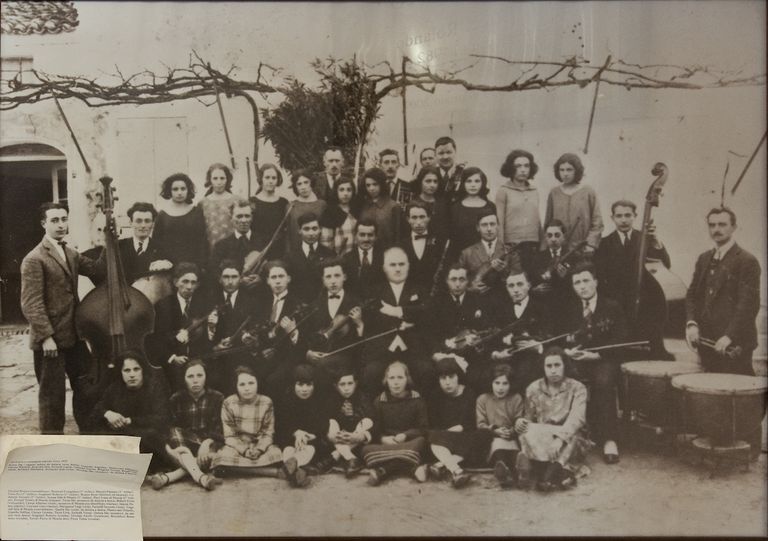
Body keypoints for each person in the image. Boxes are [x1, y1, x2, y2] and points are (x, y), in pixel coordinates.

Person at [21, 202, 104, 434]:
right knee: (52, 398)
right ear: (43, 224)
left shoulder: (70, 253)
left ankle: (89, 436)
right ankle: (52, 448)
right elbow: (31, 303)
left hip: (74, 337)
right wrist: (46, 337)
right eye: (55, 220)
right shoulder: (34, 258)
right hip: (51, 342)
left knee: (87, 388)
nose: (60, 225)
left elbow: (98, 270)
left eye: (64, 219)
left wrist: (108, 241)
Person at [562, 263, 627, 464]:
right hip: (577, 360)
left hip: (603, 359)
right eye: (577, 283)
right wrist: (567, 351)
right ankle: (571, 434)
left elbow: (621, 339)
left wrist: (596, 355)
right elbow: (559, 338)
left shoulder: (611, 306)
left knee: (603, 381)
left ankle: (609, 439)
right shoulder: (568, 308)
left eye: (586, 281)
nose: (582, 286)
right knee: (563, 378)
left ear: (595, 282)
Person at [686, 207, 761, 376]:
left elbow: (748, 304)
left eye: (722, 224)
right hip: (707, 342)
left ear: (734, 227)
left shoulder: (747, 260)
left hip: (734, 344)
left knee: (737, 393)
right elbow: (692, 294)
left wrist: (729, 336)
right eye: (712, 225)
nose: (716, 230)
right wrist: (691, 324)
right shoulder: (704, 258)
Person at [596, 200, 673, 359]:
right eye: (619, 216)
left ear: (635, 216)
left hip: (644, 301)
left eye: (627, 215)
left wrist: (656, 241)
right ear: (612, 218)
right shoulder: (605, 243)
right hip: (618, 302)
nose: (623, 220)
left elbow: (665, 264)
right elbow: (600, 276)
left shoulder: (645, 239)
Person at [211, 366, 309, 487]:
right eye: (242, 384)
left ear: (257, 383)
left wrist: (259, 449)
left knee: (277, 454)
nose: (247, 388)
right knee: (221, 459)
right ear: (235, 386)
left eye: (251, 383)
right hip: (238, 445)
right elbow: (229, 435)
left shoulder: (266, 402)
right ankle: (276, 472)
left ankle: (237, 469)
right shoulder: (228, 403)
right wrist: (244, 450)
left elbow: (268, 432)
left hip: (260, 443)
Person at [517, 347, 591, 491]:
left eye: (557, 365)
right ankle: (549, 471)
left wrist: (560, 438)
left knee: (574, 434)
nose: (553, 370)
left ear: (565, 366)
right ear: (543, 367)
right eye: (549, 366)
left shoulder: (578, 388)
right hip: (543, 437)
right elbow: (529, 419)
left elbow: (577, 419)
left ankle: (549, 473)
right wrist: (521, 422)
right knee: (527, 429)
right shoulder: (533, 388)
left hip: (568, 438)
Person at [361, 247, 433, 396]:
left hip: (413, 348)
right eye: (393, 265)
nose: (398, 269)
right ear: (384, 268)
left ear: (408, 266)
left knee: (426, 370)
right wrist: (410, 317)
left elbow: (427, 313)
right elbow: (371, 317)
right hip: (383, 349)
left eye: (402, 264)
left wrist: (396, 311)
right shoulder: (374, 291)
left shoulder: (419, 290)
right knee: (371, 372)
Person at [149, 360, 224, 491]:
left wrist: (207, 443)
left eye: (199, 375)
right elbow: (170, 429)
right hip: (185, 445)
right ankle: (201, 477)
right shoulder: (176, 399)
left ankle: (168, 477)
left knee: (213, 456)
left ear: (206, 376)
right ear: (184, 379)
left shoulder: (217, 397)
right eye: (190, 376)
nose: (195, 380)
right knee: (174, 432)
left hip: (209, 443)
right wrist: (169, 449)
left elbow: (220, 428)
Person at [90, 350, 170, 471]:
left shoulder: (154, 387)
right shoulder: (115, 388)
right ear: (121, 372)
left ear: (143, 370)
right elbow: (97, 409)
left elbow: (161, 418)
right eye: (127, 370)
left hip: (144, 435)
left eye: (136, 369)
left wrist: (130, 420)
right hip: (123, 435)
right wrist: (108, 413)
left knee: (151, 437)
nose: (132, 374)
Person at [427, 357, 492, 488]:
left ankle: (441, 465)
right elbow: (434, 424)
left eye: (451, 377)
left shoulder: (469, 393)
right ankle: (457, 471)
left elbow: (472, 421)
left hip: (464, 436)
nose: (447, 382)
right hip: (444, 438)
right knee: (432, 436)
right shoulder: (435, 396)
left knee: (485, 434)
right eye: (443, 378)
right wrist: (447, 432)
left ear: (458, 377)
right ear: (438, 380)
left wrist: (461, 427)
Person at [362, 361, 430, 486]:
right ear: (386, 380)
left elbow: (423, 428)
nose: (396, 382)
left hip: (409, 442)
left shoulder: (416, 399)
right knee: (366, 449)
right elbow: (375, 429)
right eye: (391, 378)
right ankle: (411, 468)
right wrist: (383, 439)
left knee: (421, 442)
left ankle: (383, 471)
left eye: (400, 377)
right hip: (389, 443)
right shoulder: (380, 401)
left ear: (407, 379)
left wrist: (406, 435)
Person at [146, 262, 211, 391]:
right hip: (172, 367)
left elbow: (207, 339)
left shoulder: (204, 305)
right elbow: (154, 340)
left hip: (198, 365)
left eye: (193, 282)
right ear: (176, 282)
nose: (189, 286)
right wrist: (172, 358)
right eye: (185, 281)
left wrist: (212, 328)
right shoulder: (162, 306)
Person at [243, 261, 304, 399]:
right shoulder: (261, 303)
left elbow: (302, 341)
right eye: (274, 277)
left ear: (288, 279)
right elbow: (255, 329)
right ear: (268, 281)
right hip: (264, 355)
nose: (277, 281)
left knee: (273, 380)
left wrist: (293, 332)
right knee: (248, 376)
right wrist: (250, 339)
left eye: (281, 276)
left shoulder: (298, 304)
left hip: (287, 357)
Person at [489, 271, 552, 393]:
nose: (516, 290)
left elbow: (550, 336)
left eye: (519, 284)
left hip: (532, 359)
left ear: (528, 285)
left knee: (525, 377)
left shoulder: (542, 308)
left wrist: (538, 347)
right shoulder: (499, 309)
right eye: (511, 286)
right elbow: (492, 339)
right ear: (506, 288)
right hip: (506, 361)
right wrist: (497, 354)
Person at [303, 259, 365, 384]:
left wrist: (359, 324)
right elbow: (307, 334)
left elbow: (362, 343)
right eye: (328, 277)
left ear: (344, 277)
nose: (333, 281)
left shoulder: (356, 302)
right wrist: (308, 352)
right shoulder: (314, 305)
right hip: (321, 354)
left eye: (337, 276)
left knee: (323, 366)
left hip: (347, 356)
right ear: (323, 280)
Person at [204, 260, 259, 394]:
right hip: (217, 356)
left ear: (240, 278)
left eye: (234, 277)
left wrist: (249, 338)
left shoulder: (252, 300)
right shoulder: (209, 299)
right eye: (226, 277)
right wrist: (215, 346)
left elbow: (255, 329)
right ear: (220, 279)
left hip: (241, 354)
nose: (230, 281)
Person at [276, 364, 334, 477]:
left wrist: (309, 435)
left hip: (311, 440)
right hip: (291, 439)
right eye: (300, 385)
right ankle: (296, 471)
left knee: (311, 449)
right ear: (293, 385)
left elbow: (323, 424)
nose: (304, 389)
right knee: (288, 449)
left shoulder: (319, 401)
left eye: (309, 385)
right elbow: (283, 424)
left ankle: (292, 469)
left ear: (314, 385)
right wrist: (296, 433)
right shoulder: (286, 401)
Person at [476, 364, 525, 488]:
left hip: (511, 436)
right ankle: (503, 471)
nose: (500, 388)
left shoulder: (516, 398)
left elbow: (519, 419)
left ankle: (519, 474)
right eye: (497, 383)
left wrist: (512, 431)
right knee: (498, 448)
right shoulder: (483, 399)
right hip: (492, 437)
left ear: (511, 384)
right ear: (491, 383)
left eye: (505, 383)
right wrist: (495, 431)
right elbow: (480, 424)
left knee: (514, 451)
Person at [544, 153, 603, 255]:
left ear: (577, 170)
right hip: (560, 250)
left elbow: (597, 222)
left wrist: (591, 244)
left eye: (569, 169)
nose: (565, 173)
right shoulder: (554, 193)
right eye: (561, 170)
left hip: (583, 249)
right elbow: (548, 221)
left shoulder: (588, 192)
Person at [495, 149, 542, 278]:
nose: (523, 170)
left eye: (526, 166)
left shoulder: (534, 191)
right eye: (518, 166)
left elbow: (537, 220)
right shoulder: (503, 191)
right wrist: (501, 248)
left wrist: (542, 244)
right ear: (511, 168)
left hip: (533, 246)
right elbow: (499, 222)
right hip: (513, 247)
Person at [458, 211, 521, 296]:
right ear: (477, 228)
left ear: (498, 226)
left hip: (503, 302)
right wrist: (470, 289)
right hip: (476, 302)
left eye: (492, 224)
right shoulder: (467, 253)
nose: (489, 229)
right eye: (484, 225)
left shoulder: (511, 252)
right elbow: (458, 281)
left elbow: (519, 280)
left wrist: (504, 272)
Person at [531, 220, 580, 328]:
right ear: (545, 237)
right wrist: (535, 289)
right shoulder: (537, 258)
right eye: (549, 235)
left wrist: (566, 277)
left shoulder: (573, 256)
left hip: (566, 307)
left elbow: (578, 285)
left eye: (557, 235)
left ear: (564, 236)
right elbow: (531, 281)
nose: (553, 239)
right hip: (544, 307)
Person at [153, 173, 208, 270]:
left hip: (192, 266)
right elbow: (157, 243)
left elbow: (202, 241)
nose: (179, 192)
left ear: (188, 190)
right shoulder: (162, 215)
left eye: (183, 189)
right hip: (168, 266)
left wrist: (201, 265)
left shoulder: (196, 212)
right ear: (169, 191)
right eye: (175, 189)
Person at [326, 369, 373, 478]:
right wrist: (331, 435)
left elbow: (373, 420)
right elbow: (326, 420)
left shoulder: (363, 398)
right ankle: (350, 458)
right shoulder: (332, 400)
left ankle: (335, 455)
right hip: (338, 437)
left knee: (367, 421)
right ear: (335, 386)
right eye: (342, 384)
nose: (346, 388)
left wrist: (359, 435)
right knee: (331, 421)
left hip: (357, 440)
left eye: (350, 383)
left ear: (355, 384)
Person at [284, 212, 335, 303]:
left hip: (324, 305)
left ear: (320, 230)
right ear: (299, 231)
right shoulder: (290, 257)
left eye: (314, 228)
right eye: (306, 229)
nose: (311, 233)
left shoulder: (329, 254)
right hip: (299, 307)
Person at [209, 199, 262, 286]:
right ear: (231, 218)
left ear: (252, 217)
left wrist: (261, 279)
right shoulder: (221, 245)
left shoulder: (263, 242)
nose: (244, 220)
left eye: (247, 216)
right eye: (239, 216)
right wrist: (238, 281)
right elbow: (214, 272)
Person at [448, 166, 497, 259]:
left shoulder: (490, 206)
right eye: (469, 181)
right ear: (463, 183)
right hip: (460, 256)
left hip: (485, 258)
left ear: (483, 183)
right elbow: (452, 237)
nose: (473, 185)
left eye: (477, 181)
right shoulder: (455, 207)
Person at [399, 201, 448, 292]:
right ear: (407, 219)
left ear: (429, 218)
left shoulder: (440, 244)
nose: (418, 222)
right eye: (414, 217)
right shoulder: (400, 246)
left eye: (422, 217)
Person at [118, 202, 172, 283]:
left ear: (153, 224)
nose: (143, 225)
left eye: (147, 221)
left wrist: (167, 264)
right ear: (131, 223)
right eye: (138, 221)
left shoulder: (161, 249)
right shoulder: (119, 246)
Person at [250, 163, 290, 259]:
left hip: (278, 249)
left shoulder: (283, 202)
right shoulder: (252, 201)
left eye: (273, 178)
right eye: (267, 177)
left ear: (278, 180)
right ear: (261, 179)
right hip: (257, 249)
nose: (270, 181)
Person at [341, 220, 385, 299]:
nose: (366, 239)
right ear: (355, 236)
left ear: (376, 237)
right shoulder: (346, 259)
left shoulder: (384, 257)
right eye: (362, 235)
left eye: (370, 235)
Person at [359, 167, 402, 248]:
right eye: (368, 185)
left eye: (375, 184)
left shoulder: (393, 207)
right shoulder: (363, 205)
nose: (371, 188)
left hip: (387, 252)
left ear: (382, 184)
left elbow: (398, 236)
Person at [286, 169, 327, 251]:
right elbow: (288, 234)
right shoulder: (290, 206)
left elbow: (326, 231)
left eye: (306, 182)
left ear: (311, 183)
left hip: (318, 250)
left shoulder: (322, 205)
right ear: (295, 187)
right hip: (296, 251)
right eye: (299, 184)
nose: (303, 187)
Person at [200, 163, 237, 251]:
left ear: (227, 179)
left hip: (232, 248)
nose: (219, 182)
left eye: (222, 178)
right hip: (210, 248)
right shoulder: (203, 203)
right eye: (215, 178)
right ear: (210, 180)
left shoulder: (236, 201)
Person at [320, 177, 358, 255]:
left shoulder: (356, 210)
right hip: (337, 257)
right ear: (336, 191)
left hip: (355, 257)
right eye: (341, 190)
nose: (345, 193)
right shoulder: (330, 212)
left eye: (349, 190)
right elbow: (326, 242)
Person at [412, 165, 450, 236]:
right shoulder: (413, 203)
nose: (432, 185)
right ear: (420, 182)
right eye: (428, 181)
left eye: (435, 181)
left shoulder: (443, 203)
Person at [434, 136, 464, 201]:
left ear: (455, 152)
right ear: (435, 155)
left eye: (449, 152)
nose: (445, 157)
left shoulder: (464, 173)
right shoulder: (431, 174)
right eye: (441, 153)